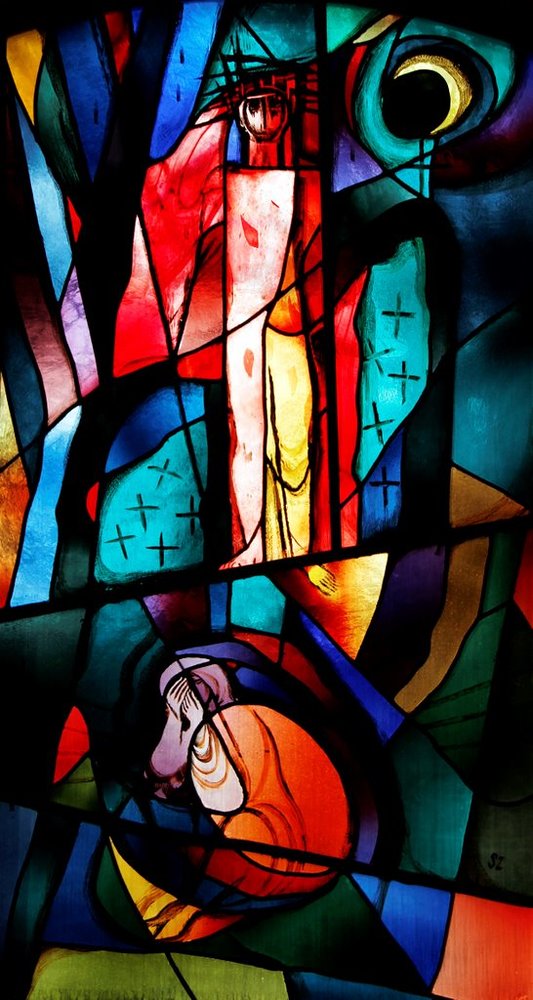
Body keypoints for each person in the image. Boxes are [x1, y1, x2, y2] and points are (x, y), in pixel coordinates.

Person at [111, 655, 352, 943]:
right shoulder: (249, 725)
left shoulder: (238, 731)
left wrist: (191, 725)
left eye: (180, 710)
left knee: (136, 816)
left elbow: (168, 775)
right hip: (285, 859)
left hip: (266, 858)